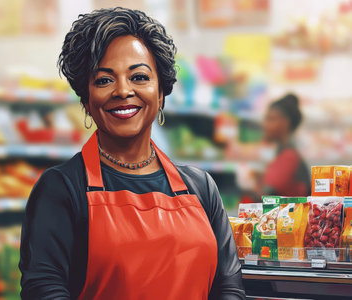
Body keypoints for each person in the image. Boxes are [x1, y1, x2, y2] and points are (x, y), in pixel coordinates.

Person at [19, 7, 245, 300]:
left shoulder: (200, 188)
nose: (123, 91)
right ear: (86, 101)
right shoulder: (61, 189)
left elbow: (229, 287)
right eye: (104, 80)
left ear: (161, 92)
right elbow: (44, 290)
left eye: (139, 77)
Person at [260, 93, 311, 196]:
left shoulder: (289, 157)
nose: (265, 125)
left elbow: (268, 190)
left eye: (271, 119)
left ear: (285, 123)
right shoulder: (285, 153)